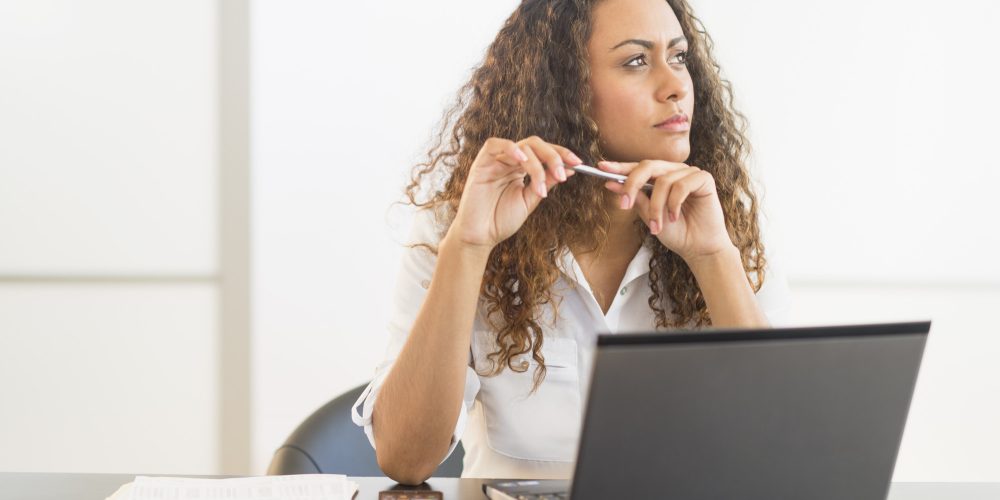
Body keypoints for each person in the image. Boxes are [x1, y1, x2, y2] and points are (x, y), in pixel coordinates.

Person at [351, 0, 790, 485]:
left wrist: (713, 258)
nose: (676, 87)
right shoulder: (458, 225)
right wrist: (469, 247)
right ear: (566, 92)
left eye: (679, 56)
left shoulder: (724, 225)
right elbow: (404, 460)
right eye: (636, 61)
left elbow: (782, 451)